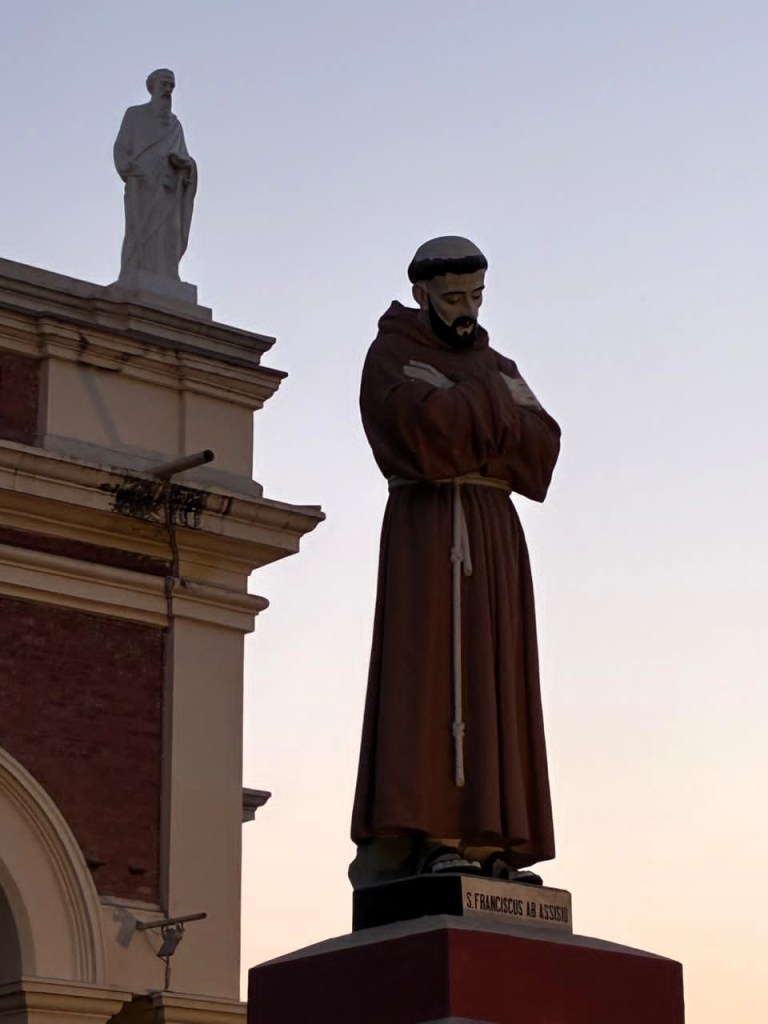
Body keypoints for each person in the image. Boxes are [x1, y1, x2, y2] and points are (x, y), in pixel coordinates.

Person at [350, 236, 561, 889]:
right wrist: (490, 412)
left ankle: (482, 842)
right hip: (430, 530)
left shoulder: (499, 362)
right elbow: (419, 436)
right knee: (430, 674)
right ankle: (430, 834)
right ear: (421, 294)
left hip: (495, 535)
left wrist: (462, 405)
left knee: (494, 679)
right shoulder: (393, 354)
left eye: (475, 296)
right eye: (452, 298)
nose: (466, 309)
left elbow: (542, 446)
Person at [114, 69, 197, 286]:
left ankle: (168, 275)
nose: (168, 89)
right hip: (141, 184)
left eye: (171, 86)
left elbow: (186, 158)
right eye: (164, 84)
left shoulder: (175, 126)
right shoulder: (135, 115)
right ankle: (136, 271)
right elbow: (122, 148)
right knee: (139, 231)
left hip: (168, 187)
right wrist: (129, 168)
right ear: (152, 87)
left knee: (169, 233)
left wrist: (185, 164)